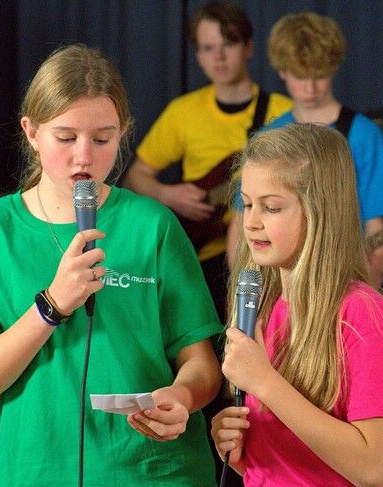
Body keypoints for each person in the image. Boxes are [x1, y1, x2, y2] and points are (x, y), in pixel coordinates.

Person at [0, 44, 222, 487]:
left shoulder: (153, 226)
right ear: (31, 132)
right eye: (66, 137)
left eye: (102, 138)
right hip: (39, 474)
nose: (84, 157)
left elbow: (202, 364)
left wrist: (183, 396)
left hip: (153, 473)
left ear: (124, 133)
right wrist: (51, 305)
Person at [211, 123, 383, 487]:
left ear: (320, 211)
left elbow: (370, 470)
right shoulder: (263, 306)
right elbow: (290, 464)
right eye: (248, 204)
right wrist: (239, 446)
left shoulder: (362, 315)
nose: (251, 223)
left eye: (271, 208)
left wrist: (266, 382)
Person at [123, 1, 293, 323]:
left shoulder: (283, 112)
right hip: (200, 256)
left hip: (265, 256)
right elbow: (136, 177)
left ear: (248, 47)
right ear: (198, 56)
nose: (219, 56)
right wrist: (168, 195)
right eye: (208, 48)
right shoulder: (183, 111)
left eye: (228, 44)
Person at [259, 11, 383, 288]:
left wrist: (363, 295)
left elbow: (377, 232)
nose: (310, 87)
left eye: (320, 75)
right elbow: (244, 223)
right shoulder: (270, 136)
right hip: (279, 284)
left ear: (334, 68)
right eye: (301, 75)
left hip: (341, 281)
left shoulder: (363, 135)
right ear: (282, 70)